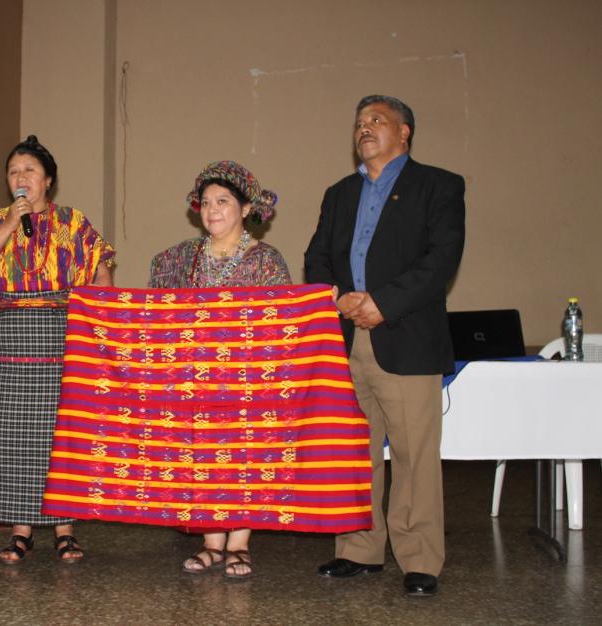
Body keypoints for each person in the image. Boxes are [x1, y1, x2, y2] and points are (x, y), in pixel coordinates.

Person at [304, 95, 465, 596]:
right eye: (359, 123)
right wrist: (337, 298)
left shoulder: (439, 186)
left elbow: (440, 260)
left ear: (404, 132)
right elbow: (317, 255)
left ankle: (420, 559)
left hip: (406, 337)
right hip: (346, 339)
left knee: (415, 456)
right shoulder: (339, 193)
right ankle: (359, 549)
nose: (364, 128)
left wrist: (383, 303)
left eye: (376, 120)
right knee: (356, 452)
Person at [0, 135, 115, 564]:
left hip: (61, 340)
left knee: (59, 438)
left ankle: (66, 530)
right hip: (5, 344)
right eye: (13, 172)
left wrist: (97, 332)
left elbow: (102, 280)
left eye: (29, 170)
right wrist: (9, 224)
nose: (21, 177)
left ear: (48, 180)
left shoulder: (73, 223)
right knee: (10, 438)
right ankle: (20, 530)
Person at [149, 160, 291, 579]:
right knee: (203, 456)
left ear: (245, 208)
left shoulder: (266, 261)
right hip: (197, 377)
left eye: (223, 201)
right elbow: (160, 312)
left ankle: (239, 544)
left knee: (243, 456)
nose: (212, 210)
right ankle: (211, 543)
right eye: (207, 202)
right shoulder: (180, 259)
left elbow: (281, 319)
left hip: (247, 378)